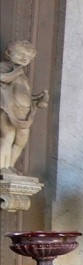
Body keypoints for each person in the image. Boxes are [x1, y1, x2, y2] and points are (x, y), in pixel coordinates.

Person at [0, 40, 49, 172]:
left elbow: (21, 94)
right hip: (8, 109)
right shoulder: (5, 67)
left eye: (28, 57)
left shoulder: (22, 74)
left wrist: (37, 98)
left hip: (24, 113)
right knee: (8, 136)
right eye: (21, 54)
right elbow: (3, 79)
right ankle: (2, 167)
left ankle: (10, 165)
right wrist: (16, 73)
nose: (24, 58)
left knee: (21, 141)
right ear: (8, 53)